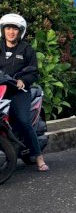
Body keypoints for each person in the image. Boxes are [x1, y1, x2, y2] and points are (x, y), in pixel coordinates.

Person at [0, 14, 47, 171]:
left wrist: (23, 81)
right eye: (8, 28)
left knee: (24, 121)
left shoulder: (26, 49)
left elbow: (33, 72)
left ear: (20, 32)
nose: (11, 32)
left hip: (18, 91)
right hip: (1, 90)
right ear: (3, 30)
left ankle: (39, 157)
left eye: (14, 29)